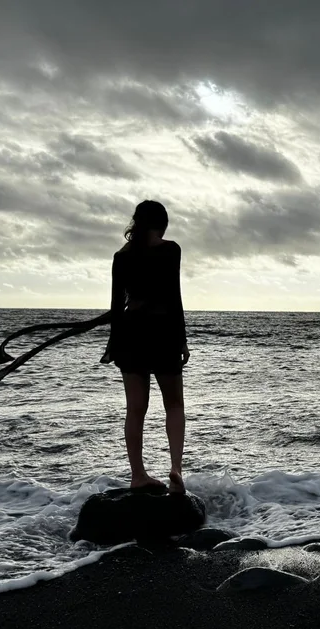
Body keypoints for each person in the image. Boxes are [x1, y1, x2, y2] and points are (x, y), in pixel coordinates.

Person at [102, 200, 190, 493]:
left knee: (136, 409)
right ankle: (175, 469)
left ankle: (138, 475)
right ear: (161, 224)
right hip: (163, 332)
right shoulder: (170, 250)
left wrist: (112, 344)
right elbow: (173, 297)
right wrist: (183, 339)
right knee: (174, 404)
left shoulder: (121, 256)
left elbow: (116, 306)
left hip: (131, 335)